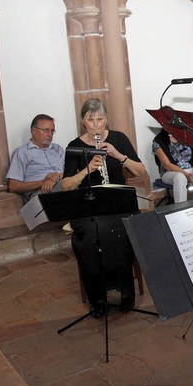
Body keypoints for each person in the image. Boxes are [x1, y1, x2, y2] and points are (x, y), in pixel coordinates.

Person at [61, 98, 146, 317]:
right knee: (90, 235)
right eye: (91, 120)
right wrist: (87, 170)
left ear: (107, 120)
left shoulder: (118, 139)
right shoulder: (74, 146)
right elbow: (67, 185)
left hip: (118, 204)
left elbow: (140, 172)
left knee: (120, 230)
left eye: (100, 119)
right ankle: (97, 296)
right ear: (83, 122)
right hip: (88, 207)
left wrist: (119, 156)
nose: (96, 124)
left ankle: (126, 290)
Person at [6, 114, 65, 203]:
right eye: (46, 130)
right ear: (33, 131)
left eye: (52, 131)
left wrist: (54, 179)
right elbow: (13, 186)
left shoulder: (58, 149)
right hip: (41, 192)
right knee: (71, 183)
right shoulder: (22, 152)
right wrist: (43, 182)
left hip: (63, 187)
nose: (50, 134)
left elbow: (69, 172)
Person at [152, 130, 193, 203]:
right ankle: (180, 207)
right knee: (180, 177)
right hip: (171, 172)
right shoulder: (159, 140)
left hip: (191, 169)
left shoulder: (187, 135)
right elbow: (167, 165)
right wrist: (187, 175)